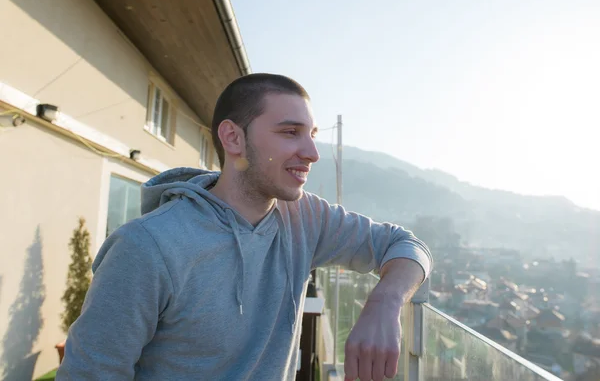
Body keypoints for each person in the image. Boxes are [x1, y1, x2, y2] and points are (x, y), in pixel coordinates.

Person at [57, 73, 433, 381]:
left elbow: (405, 244)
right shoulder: (146, 246)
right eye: (290, 132)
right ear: (233, 138)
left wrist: (384, 302)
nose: (312, 153)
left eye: (312, 135)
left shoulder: (304, 217)